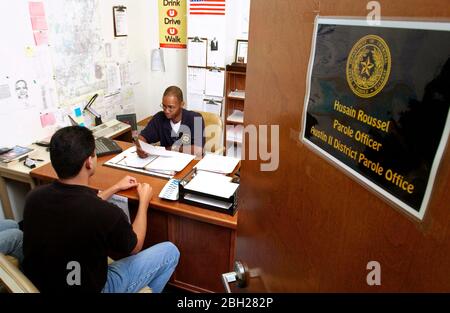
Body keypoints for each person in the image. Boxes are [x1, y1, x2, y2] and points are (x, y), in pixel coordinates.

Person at [22, 126, 179, 293]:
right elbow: (134, 246)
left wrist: (115, 187)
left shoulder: (33, 197)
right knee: (170, 252)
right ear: (89, 162)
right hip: (95, 289)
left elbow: (78, 206)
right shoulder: (104, 212)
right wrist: (143, 203)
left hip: (44, 284)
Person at [138, 86, 205, 158]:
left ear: (182, 104)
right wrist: (140, 148)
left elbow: (198, 149)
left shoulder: (197, 118)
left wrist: (169, 149)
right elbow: (141, 137)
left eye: (171, 107)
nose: (166, 111)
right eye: (164, 106)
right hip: (165, 162)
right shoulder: (159, 117)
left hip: (189, 162)